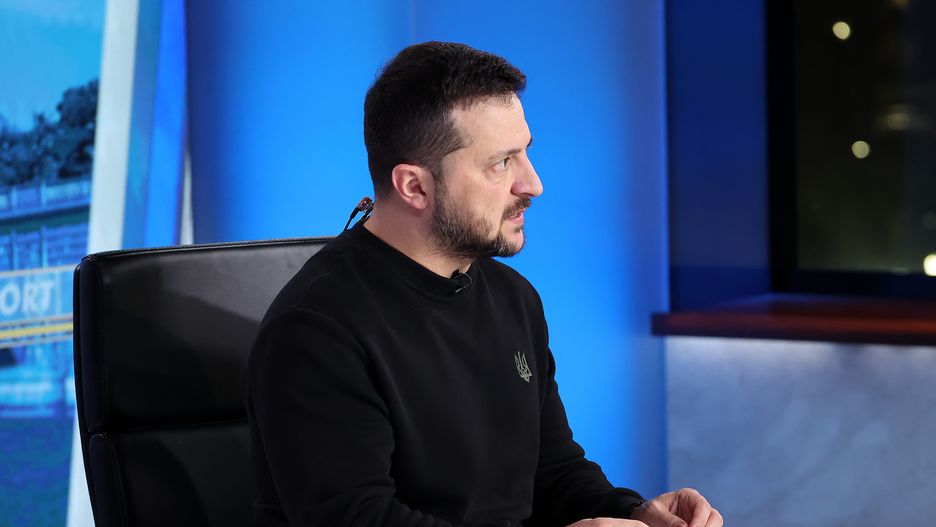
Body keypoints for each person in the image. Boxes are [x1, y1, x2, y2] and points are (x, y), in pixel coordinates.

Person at [244, 41, 722, 527]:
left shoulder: (514, 297)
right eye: (502, 162)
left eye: (526, 152)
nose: (532, 184)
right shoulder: (316, 330)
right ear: (414, 186)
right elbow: (359, 519)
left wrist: (635, 513)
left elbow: (553, 472)